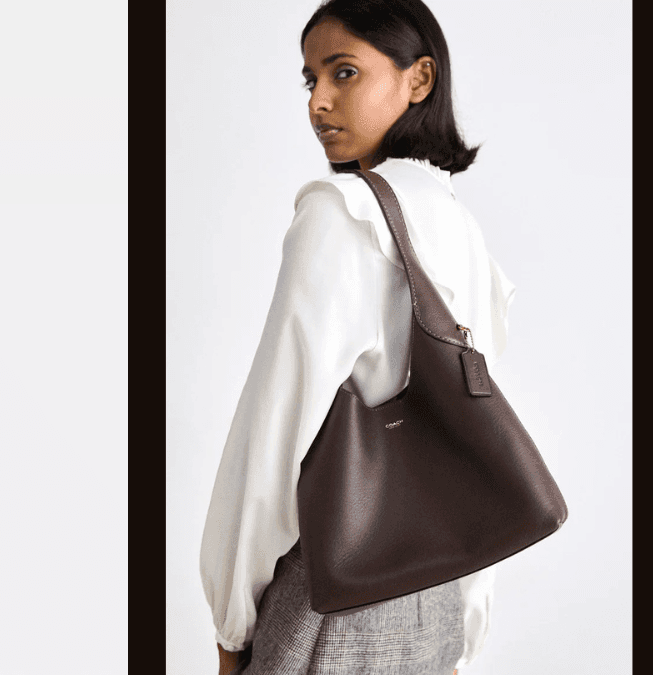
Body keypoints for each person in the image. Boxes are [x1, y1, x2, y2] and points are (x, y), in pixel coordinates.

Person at [199, 1, 515, 673]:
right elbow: (477, 437)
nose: (318, 102)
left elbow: (271, 438)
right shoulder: (462, 230)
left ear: (419, 79)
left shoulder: (339, 215)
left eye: (344, 72)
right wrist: (464, 623)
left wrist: (232, 624)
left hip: (333, 600)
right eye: (310, 79)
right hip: (439, 604)